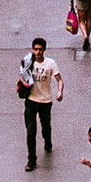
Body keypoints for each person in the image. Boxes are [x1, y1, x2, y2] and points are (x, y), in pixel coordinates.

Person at [19, 35, 63, 169]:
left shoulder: (50, 63)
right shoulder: (28, 61)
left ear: (44, 50)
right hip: (31, 100)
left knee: (45, 127)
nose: (38, 52)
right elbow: (21, 74)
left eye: (40, 50)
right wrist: (25, 84)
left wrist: (60, 91)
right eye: (36, 49)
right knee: (31, 131)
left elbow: (59, 79)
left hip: (45, 101)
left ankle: (47, 141)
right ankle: (31, 159)